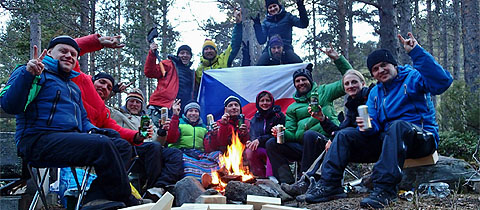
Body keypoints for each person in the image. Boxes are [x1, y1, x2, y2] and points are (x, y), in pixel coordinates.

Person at [305, 33, 453, 209]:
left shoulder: (412, 78)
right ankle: (330, 185)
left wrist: (416, 52)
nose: (380, 70)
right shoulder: (375, 93)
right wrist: (366, 127)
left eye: (384, 65)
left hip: (422, 138)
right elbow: (374, 125)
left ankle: (385, 189)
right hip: (390, 140)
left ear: (393, 65)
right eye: (375, 69)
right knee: (345, 134)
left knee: (398, 126)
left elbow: (443, 82)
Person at [0, 36, 139, 209]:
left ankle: (96, 198)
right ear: (50, 53)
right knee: (102, 145)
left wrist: (97, 131)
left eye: (73, 54)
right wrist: (27, 75)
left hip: (66, 141)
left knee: (122, 146)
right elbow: (10, 105)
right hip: (37, 141)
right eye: (63, 51)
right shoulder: (34, 73)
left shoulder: (73, 87)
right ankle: (126, 197)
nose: (69, 56)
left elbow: (83, 120)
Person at [267, 46, 352, 184]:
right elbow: (292, 134)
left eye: (304, 79)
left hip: (327, 141)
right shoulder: (292, 108)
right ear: (294, 84)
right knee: (272, 143)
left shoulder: (324, 91)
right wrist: (280, 133)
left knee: (310, 134)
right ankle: (286, 183)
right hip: (304, 148)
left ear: (310, 80)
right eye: (297, 81)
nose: (301, 83)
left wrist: (338, 59)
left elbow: (350, 77)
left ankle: (304, 181)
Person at [282, 69, 373, 198]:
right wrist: (322, 118)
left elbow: (347, 130)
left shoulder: (369, 97)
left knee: (321, 137)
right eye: (347, 84)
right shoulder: (352, 104)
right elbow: (340, 129)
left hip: (369, 143)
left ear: (363, 83)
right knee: (332, 139)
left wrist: (337, 58)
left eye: (354, 82)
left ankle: (311, 184)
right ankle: (306, 183)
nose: (350, 86)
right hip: (340, 141)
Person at [93, 76, 184, 196]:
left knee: (175, 153)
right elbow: (99, 103)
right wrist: (114, 91)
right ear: (126, 102)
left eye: (138, 102)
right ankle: (151, 188)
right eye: (131, 101)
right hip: (129, 149)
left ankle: (159, 186)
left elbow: (158, 141)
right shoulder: (116, 113)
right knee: (153, 148)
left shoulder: (147, 120)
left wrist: (161, 131)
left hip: (149, 152)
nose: (134, 104)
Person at [166, 100, 222, 180]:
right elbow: (171, 138)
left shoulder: (204, 127)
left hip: (199, 154)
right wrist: (175, 116)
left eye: (196, 111)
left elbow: (209, 148)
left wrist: (213, 134)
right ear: (185, 113)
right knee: (186, 162)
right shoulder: (178, 122)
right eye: (190, 111)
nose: (193, 113)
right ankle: (197, 180)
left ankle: (213, 179)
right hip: (182, 152)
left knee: (218, 155)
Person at [144, 44, 197, 125]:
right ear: (178, 55)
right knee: (157, 135)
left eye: (187, 53)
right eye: (182, 53)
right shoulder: (168, 65)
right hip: (161, 107)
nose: (185, 55)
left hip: (181, 113)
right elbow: (150, 72)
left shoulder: (192, 73)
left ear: (190, 56)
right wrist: (152, 54)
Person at [253, 0, 308, 66]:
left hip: (286, 48)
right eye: (270, 7)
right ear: (268, 10)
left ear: (278, 6)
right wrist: (257, 25)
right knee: (259, 66)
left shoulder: (288, 17)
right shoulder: (266, 22)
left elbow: (303, 24)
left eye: (274, 6)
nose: (273, 9)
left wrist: (300, 6)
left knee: (300, 65)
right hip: (271, 49)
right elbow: (261, 40)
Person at [196, 9, 243, 84]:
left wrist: (238, 24)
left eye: (211, 49)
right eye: (206, 49)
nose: (209, 51)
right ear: (203, 52)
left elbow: (235, 45)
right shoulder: (198, 71)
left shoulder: (223, 59)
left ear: (215, 51)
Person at [245, 91, 285, 177]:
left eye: (267, 100)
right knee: (249, 151)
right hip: (261, 148)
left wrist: (260, 140)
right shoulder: (255, 118)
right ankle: (260, 177)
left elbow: (278, 135)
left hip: (275, 147)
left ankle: (270, 178)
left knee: (270, 146)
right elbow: (252, 135)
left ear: (272, 102)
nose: (265, 103)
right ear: (258, 103)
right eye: (262, 101)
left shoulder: (278, 116)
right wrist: (250, 142)